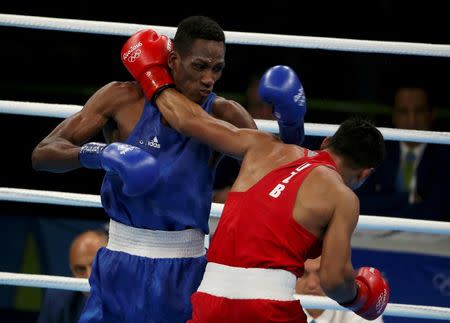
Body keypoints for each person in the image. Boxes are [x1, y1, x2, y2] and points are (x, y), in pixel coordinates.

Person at [31, 16, 304, 322]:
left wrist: (293, 130)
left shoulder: (223, 113)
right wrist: (101, 154)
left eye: (217, 69)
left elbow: (279, 179)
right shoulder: (122, 97)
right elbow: (43, 153)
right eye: (199, 66)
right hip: (118, 262)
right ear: (173, 60)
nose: (209, 79)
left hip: (184, 271)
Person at [140, 55, 389, 322]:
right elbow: (333, 280)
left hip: (209, 296)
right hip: (268, 305)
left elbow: (189, 121)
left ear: (327, 142)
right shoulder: (343, 197)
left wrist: (150, 73)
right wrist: (360, 296)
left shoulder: (263, 146)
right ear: (365, 173)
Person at [356, 85, 450, 221]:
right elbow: (358, 203)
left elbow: (437, 212)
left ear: (431, 114)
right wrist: (407, 199)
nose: (411, 121)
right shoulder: (376, 150)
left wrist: (384, 201)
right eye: (404, 111)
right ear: (394, 115)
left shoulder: (445, 156)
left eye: (419, 111)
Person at [37, 229, 108, 323]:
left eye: (96, 264)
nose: (89, 276)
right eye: (80, 269)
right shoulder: (59, 300)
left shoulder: (132, 295)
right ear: (72, 271)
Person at [296, 256, 384, 323]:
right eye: (303, 273)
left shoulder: (358, 304)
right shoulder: (283, 300)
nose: (312, 284)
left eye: (320, 274)